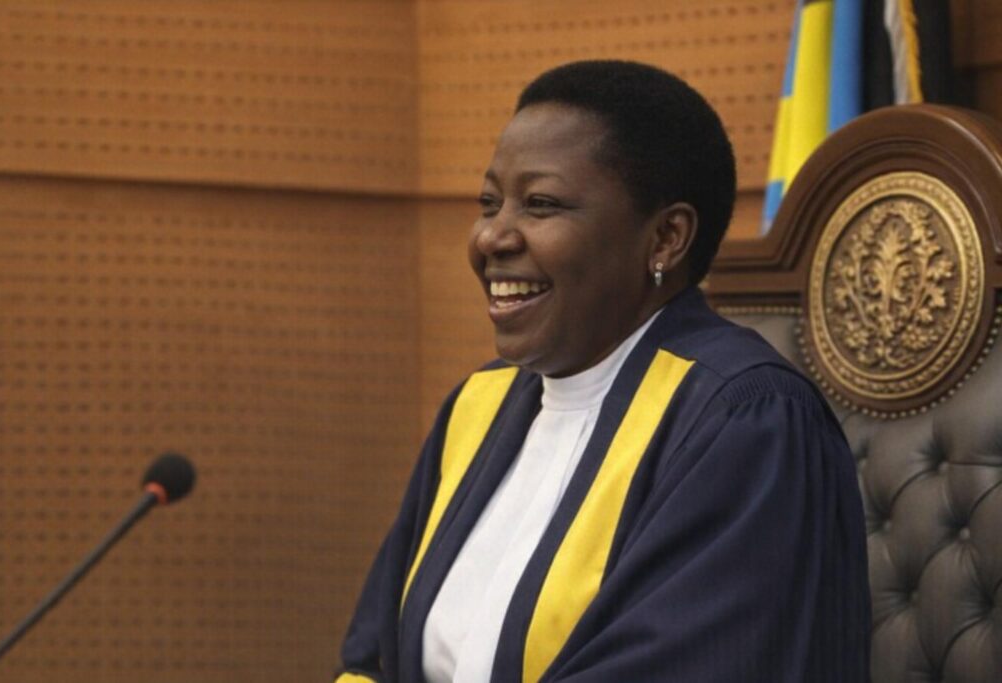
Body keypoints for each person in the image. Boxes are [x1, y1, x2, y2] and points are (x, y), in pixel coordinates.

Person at [335, 60, 870, 682]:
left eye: (541, 205)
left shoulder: (747, 421)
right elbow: (374, 657)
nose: (492, 238)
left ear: (666, 238)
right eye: (489, 203)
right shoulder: (478, 406)